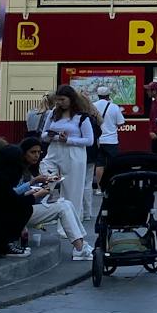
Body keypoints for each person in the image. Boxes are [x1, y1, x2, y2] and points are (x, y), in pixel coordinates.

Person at [16, 135, 90, 257]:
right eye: (32, 152)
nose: (36, 155)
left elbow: (31, 196)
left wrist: (45, 187)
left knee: (66, 203)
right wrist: (33, 185)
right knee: (63, 207)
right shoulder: (17, 171)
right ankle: (79, 248)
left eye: (39, 152)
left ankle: (81, 242)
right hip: (19, 211)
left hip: (27, 207)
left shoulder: (32, 169)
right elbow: (13, 194)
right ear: (24, 153)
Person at [40, 85, 95, 225]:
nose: (59, 103)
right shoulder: (53, 113)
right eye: (58, 100)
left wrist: (69, 140)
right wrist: (51, 136)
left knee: (73, 190)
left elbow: (89, 140)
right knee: (46, 174)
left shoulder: (81, 117)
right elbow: (44, 134)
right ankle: (48, 212)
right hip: (54, 150)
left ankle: (71, 223)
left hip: (74, 152)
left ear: (71, 99)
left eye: (62, 99)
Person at [93, 87, 127, 190]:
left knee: (99, 164)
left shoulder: (93, 106)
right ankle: (113, 186)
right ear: (108, 95)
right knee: (114, 164)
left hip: (98, 141)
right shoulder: (114, 107)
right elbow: (121, 123)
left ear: (98, 95)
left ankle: (99, 188)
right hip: (111, 141)